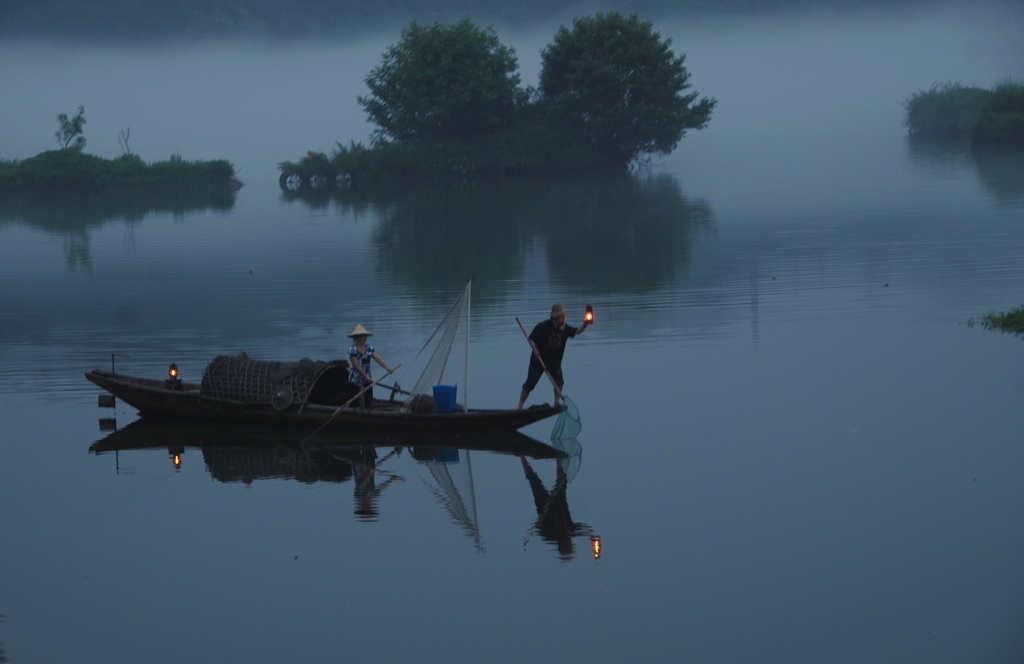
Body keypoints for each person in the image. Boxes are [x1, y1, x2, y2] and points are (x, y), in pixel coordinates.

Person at [516, 303, 589, 410]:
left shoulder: (565, 329)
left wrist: (585, 324)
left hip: (554, 363)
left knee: (559, 381)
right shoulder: (543, 327)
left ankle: (556, 401)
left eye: (564, 316)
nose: (563, 318)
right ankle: (519, 405)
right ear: (555, 318)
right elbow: (531, 339)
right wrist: (535, 350)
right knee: (529, 384)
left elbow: (577, 331)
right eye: (561, 317)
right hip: (538, 362)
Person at [347, 324, 394, 408]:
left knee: (368, 400)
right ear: (357, 337)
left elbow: (378, 359)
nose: (364, 338)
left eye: (365, 336)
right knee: (354, 402)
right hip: (355, 379)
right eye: (362, 336)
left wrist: (388, 368)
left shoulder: (369, 348)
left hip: (367, 379)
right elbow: (356, 366)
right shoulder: (352, 350)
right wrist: (365, 376)